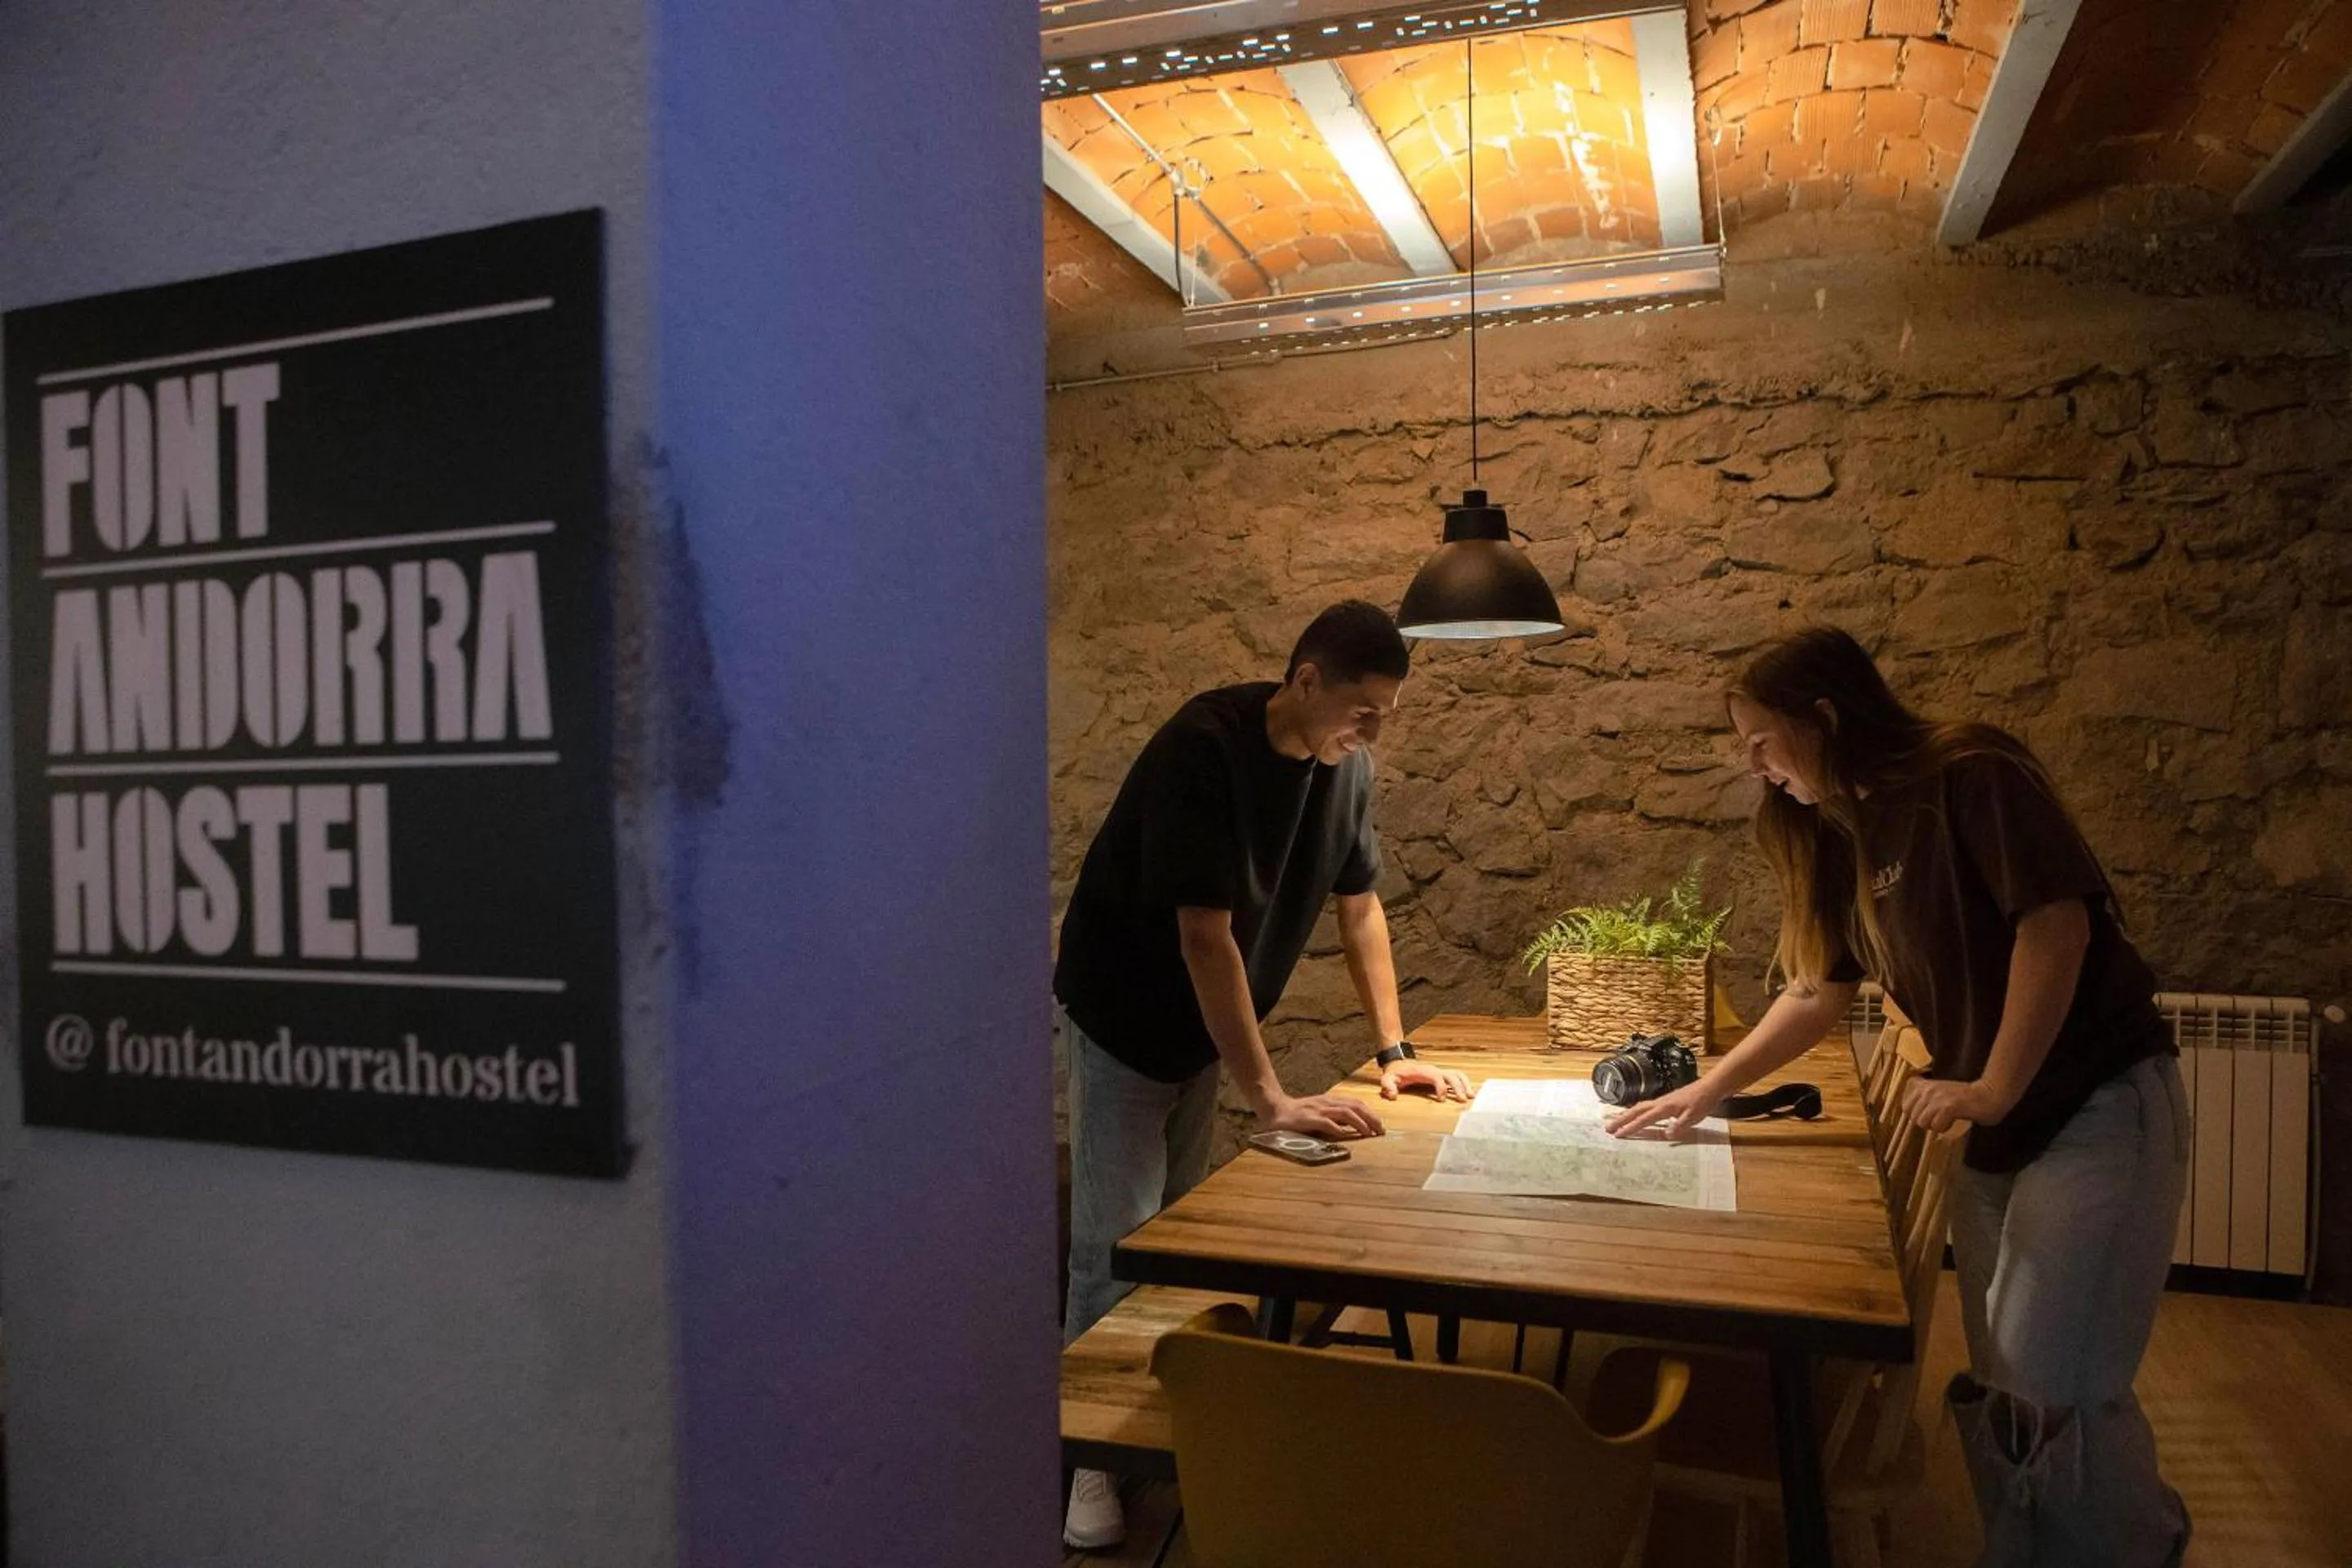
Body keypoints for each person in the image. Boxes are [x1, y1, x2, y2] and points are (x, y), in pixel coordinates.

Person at [1606, 626, 2189, 1566]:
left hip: (2097, 1104)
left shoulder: (1970, 772)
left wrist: (1994, 1085)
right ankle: (2053, 1544)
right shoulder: (1847, 832)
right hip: (1997, 1125)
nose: (1756, 768)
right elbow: (1817, 992)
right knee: (2009, 1369)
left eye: (1763, 742)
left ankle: (2133, 1542)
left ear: (1826, 718)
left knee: (2051, 1372)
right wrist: (1706, 1089)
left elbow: (2057, 927)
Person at [1054, 599, 1471, 1551]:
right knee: (1116, 1244)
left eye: (1385, 719)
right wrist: (1273, 1098)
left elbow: (1360, 910)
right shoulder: (1205, 749)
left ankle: (1169, 1424)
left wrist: (1396, 1053)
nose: (1370, 735)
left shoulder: (1344, 770)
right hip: (1126, 1011)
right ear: (1305, 679)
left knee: (1177, 1231)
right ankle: (1086, 1462)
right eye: (1361, 712)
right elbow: (1205, 940)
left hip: (1204, 1029)